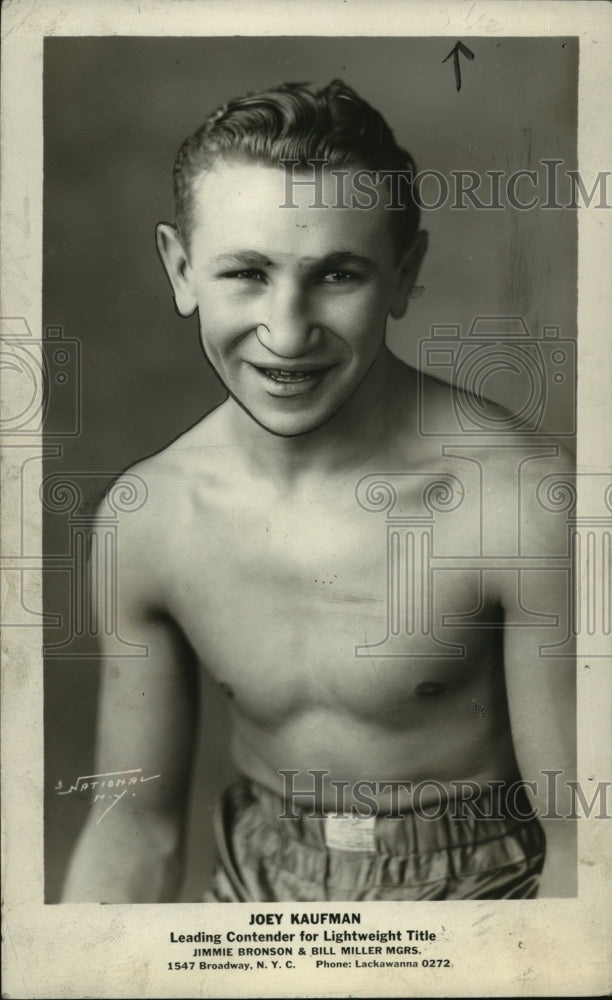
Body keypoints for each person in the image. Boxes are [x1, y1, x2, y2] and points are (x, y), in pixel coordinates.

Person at [61, 79, 576, 903]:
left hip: (490, 900)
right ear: (181, 268)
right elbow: (133, 824)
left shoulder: (522, 502)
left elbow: (591, 847)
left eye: (337, 273)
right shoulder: (148, 516)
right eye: (246, 273)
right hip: (253, 891)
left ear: (405, 276)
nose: (288, 331)